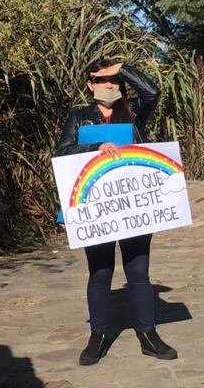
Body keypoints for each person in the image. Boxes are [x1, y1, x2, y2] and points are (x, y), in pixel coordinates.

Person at [55, 60, 177, 365]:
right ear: (90, 85)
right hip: (98, 208)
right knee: (100, 272)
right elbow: (61, 151)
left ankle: (148, 335)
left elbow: (153, 91)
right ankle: (97, 336)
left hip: (134, 206)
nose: (110, 86)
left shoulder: (133, 111)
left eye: (115, 81)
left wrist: (122, 68)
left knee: (138, 273)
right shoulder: (80, 116)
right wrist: (96, 147)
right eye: (103, 80)